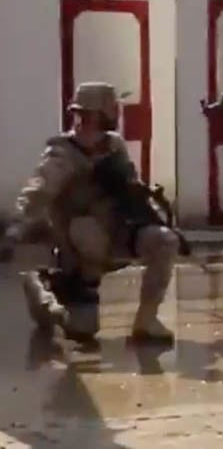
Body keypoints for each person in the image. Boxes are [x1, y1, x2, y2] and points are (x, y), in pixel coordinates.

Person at [12, 82, 178, 344]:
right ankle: (41, 291)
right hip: (80, 249)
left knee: (165, 240)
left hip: (118, 231)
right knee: (82, 330)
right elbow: (38, 191)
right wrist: (19, 226)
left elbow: (129, 187)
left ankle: (147, 321)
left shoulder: (114, 146)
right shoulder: (62, 152)